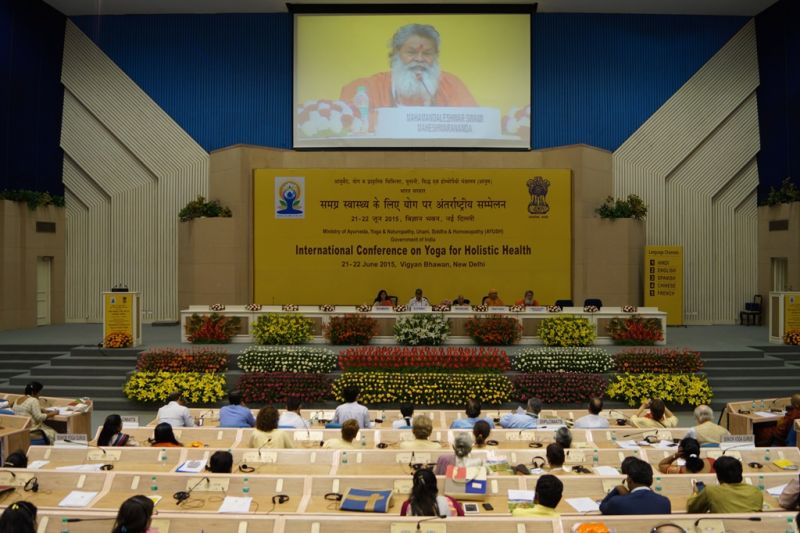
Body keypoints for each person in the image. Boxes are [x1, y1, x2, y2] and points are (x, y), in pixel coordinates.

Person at [340, 23, 477, 123]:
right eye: (411, 52)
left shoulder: (451, 85)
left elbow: (473, 122)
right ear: (396, 53)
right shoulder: (370, 87)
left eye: (427, 53)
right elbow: (347, 120)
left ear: (436, 56)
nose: (419, 59)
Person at [686, 456, 763, 513]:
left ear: (718, 476)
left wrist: (696, 493)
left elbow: (691, 509)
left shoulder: (710, 491)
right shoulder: (755, 491)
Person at [600, 458, 671, 515]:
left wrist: (617, 489)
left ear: (629, 480)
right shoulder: (665, 502)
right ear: (651, 480)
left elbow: (602, 506)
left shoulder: (617, 502)